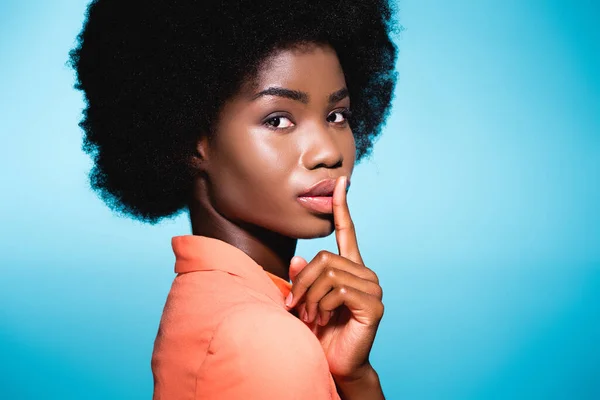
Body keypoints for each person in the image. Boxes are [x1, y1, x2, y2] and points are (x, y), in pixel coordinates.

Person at [69, 0, 398, 398]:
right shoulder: (262, 337)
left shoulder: (213, 304)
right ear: (191, 141)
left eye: (337, 117)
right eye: (278, 120)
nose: (328, 152)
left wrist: (355, 377)